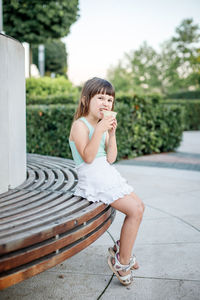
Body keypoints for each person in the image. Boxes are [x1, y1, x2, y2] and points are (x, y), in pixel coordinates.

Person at [69, 77, 145, 286]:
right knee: (134, 210)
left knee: (139, 206)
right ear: (86, 100)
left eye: (110, 100)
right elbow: (88, 157)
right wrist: (101, 129)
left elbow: (110, 158)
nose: (106, 103)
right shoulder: (80, 125)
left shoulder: (100, 126)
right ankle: (121, 262)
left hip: (105, 173)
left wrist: (111, 133)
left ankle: (123, 250)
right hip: (93, 179)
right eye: (100, 97)